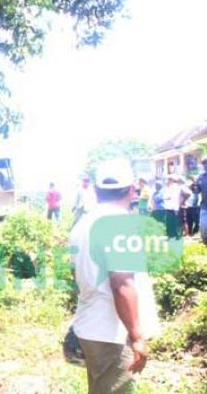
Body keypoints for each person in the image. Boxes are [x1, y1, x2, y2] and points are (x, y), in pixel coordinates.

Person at [70, 159, 160, 394]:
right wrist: (138, 336)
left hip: (91, 327)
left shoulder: (83, 224)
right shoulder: (120, 224)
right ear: (132, 191)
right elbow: (121, 283)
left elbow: (76, 276)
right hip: (113, 334)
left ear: (97, 190)